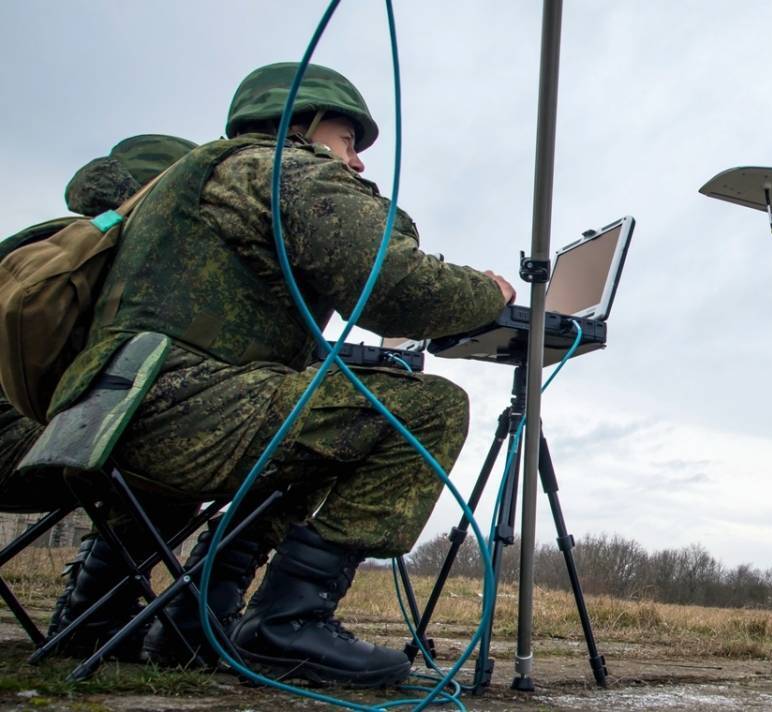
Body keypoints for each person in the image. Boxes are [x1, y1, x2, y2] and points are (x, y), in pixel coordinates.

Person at [45, 62, 515, 687]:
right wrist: (489, 294)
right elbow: (394, 286)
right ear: (305, 124)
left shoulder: (192, 183)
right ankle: (287, 622)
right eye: (349, 142)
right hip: (174, 412)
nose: (356, 163)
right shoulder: (276, 167)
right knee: (428, 407)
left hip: (101, 418)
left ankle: (187, 620)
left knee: (314, 433)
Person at [0, 134, 198, 660]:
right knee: (172, 438)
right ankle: (97, 612)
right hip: (20, 444)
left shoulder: (49, 243)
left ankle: (99, 609)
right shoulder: (106, 262)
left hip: (31, 439)